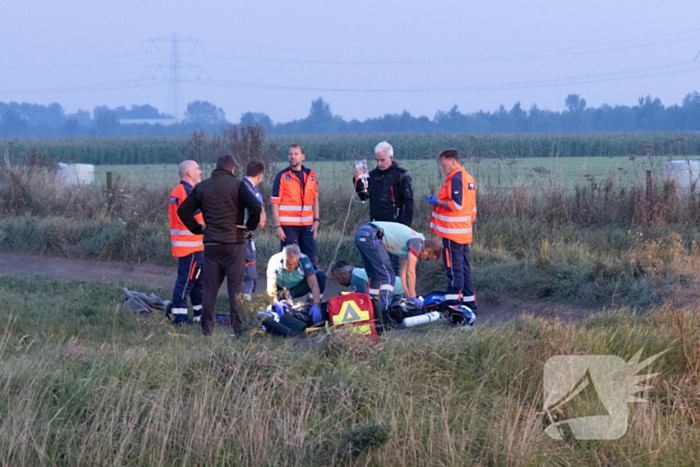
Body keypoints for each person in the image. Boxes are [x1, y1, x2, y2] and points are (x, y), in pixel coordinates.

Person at [177, 154, 262, 336]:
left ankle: (207, 331)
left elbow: (182, 210)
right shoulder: (238, 186)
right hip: (234, 245)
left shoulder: (202, 187)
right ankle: (238, 332)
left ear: (216, 168)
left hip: (212, 245)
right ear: (232, 170)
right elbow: (255, 206)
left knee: (210, 291)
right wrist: (249, 227)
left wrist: (198, 229)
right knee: (235, 290)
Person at [426, 149, 477, 310]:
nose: (443, 168)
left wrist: (437, 202)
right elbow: (472, 211)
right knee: (464, 268)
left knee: (453, 269)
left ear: (453, 161)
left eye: (444, 164)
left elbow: (457, 205)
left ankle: (454, 305)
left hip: (452, 233)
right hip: (464, 232)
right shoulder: (469, 178)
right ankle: (469, 302)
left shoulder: (456, 178)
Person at [354, 141, 414, 274]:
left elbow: (409, 204)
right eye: (377, 160)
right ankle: (380, 291)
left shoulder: (401, 176)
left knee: (393, 263)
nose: (379, 164)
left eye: (382, 160)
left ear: (391, 158)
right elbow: (364, 196)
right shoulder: (372, 175)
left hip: (395, 228)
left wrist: (405, 227)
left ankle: (396, 293)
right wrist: (358, 181)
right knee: (377, 262)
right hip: (376, 226)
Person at [354, 221, 441, 310]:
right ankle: (384, 311)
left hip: (361, 233)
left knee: (375, 275)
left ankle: (373, 308)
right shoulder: (418, 243)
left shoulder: (411, 244)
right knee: (389, 276)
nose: (424, 259)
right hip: (371, 235)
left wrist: (410, 296)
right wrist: (414, 296)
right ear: (426, 250)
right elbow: (410, 272)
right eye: (427, 258)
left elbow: (403, 274)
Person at [271, 144, 320, 267]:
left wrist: (317, 220)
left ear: (302, 157)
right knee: (290, 262)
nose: (292, 157)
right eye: (290, 154)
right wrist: (277, 226)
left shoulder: (311, 175)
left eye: (296, 154)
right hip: (288, 227)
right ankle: (289, 286)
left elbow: (315, 199)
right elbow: (275, 203)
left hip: (308, 226)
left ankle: (311, 286)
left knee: (311, 260)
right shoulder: (282, 176)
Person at [168, 160, 204, 325]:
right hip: (192, 247)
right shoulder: (189, 194)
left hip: (185, 246)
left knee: (196, 284)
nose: (200, 172)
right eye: (197, 169)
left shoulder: (176, 191)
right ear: (189, 173)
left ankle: (199, 316)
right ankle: (180, 319)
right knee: (186, 284)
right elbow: (200, 219)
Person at [266, 245, 326, 324]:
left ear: (298, 259)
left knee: (320, 275)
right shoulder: (275, 261)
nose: (292, 267)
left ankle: (312, 305)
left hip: (298, 287)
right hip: (282, 290)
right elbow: (270, 287)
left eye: (295, 264)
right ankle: (282, 302)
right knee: (282, 313)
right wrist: (275, 302)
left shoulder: (304, 260)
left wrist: (316, 304)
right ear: (283, 259)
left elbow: (314, 284)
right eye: (289, 264)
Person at [241, 161, 267, 295]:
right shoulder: (253, 192)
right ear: (260, 176)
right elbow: (261, 222)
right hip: (245, 239)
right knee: (249, 279)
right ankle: (245, 311)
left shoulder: (235, 186)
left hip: (226, 237)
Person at [331, 260, 406, 297]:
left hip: (399, 293)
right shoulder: (357, 272)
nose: (339, 282)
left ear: (344, 274)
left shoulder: (356, 279)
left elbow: (364, 300)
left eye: (338, 278)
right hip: (402, 286)